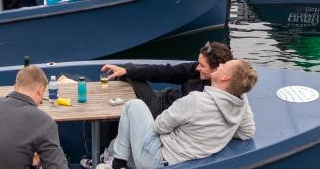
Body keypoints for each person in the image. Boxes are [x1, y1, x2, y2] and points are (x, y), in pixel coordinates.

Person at [96, 59, 257, 169]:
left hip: (158, 160)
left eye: (225, 65)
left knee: (133, 105)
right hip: (178, 161)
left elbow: (159, 126)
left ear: (225, 78)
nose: (221, 64)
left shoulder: (196, 100)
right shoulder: (239, 105)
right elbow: (247, 132)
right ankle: (114, 159)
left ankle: (116, 168)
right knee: (114, 145)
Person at [100, 41, 234, 119]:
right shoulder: (195, 70)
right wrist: (127, 70)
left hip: (163, 113)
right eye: (198, 63)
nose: (197, 67)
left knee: (128, 76)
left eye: (202, 65)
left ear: (218, 68)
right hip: (161, 99)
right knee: (128, 69)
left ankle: (107, 149)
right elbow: (164, 72)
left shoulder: (217, 95)